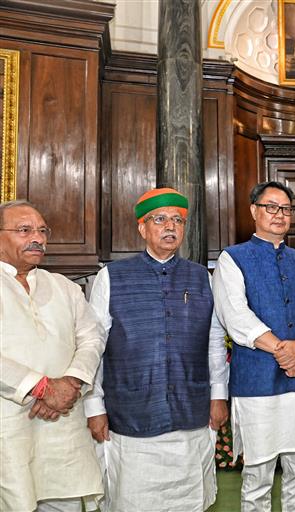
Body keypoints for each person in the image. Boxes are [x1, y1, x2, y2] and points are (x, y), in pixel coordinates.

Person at [84, 187, 229, 511]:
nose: (170, 227)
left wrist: (218, 394)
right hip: (132, 417)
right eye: (160, 219)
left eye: (177, 220)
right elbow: (93, 347)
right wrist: (94, 407)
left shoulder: (201, 277)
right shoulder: (111, 277)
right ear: (142, 227)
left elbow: (213, 341)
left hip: (190, 414)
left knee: (189, 501)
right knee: (132, 501)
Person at [212, 181, 295, 511]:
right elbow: (235, 316)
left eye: (286, 208)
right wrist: (284, 349)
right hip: (257, 383)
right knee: (259, 475)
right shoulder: (232, 259)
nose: (279, 214)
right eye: (271, 207)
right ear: (254, 211)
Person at [1, 200, 105, 512]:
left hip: (63, 421)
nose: (38, 238)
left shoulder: (63, 286)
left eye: (42, 231)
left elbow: (92, 337)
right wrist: (42, 388)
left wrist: (70, 383)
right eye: (24, 230)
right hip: (9, 423)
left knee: (66, 500)